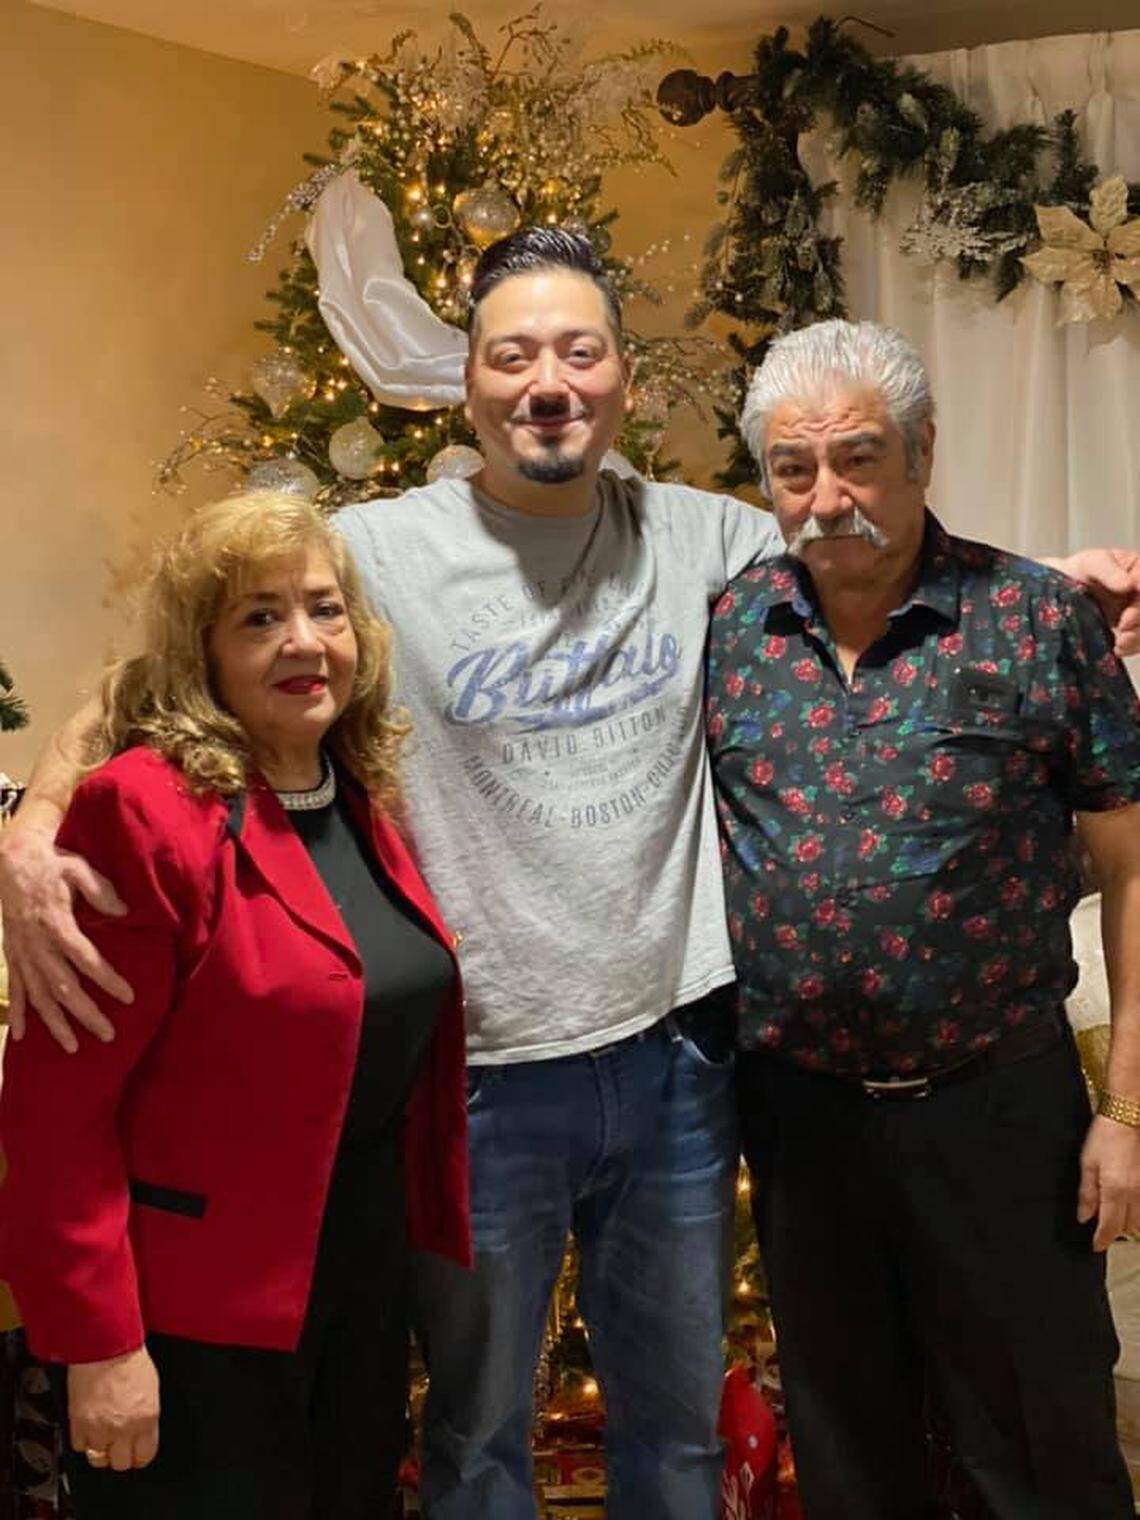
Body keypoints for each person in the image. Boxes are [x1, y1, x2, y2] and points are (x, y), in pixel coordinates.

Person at [3, 232, 1140, 1519]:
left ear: (620, 383)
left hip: (678, 1065)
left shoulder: (707, 533)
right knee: (477, 1433)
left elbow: (867, 534)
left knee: (676, 1432)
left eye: (580, 351)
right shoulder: (373, 549)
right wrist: (28, 832)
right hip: (481, 1077)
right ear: (467, 384)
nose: (549, 381)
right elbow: (169, 667)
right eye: (513, 354)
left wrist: (1054, 582)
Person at [706, 318, 1140, 1518]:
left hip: (1000, 1113)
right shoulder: (730, 629)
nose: (828, 495)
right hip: (801, 1128)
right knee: (853, 1453)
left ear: (923, 452)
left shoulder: (1034, 619)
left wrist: (1130, 1111)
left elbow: (1134, 860)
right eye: (795, 468)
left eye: (860, 457)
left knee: (1039, 1447)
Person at [0, 491, 469, 1518]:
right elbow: (53, 1114)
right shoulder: (142, 809)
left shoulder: (351, 786)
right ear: (202, 650)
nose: (304, 641)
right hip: (191, 1319)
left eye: (324, 608)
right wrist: (99, 1344)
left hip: (355, 1284)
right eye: (259, 616)